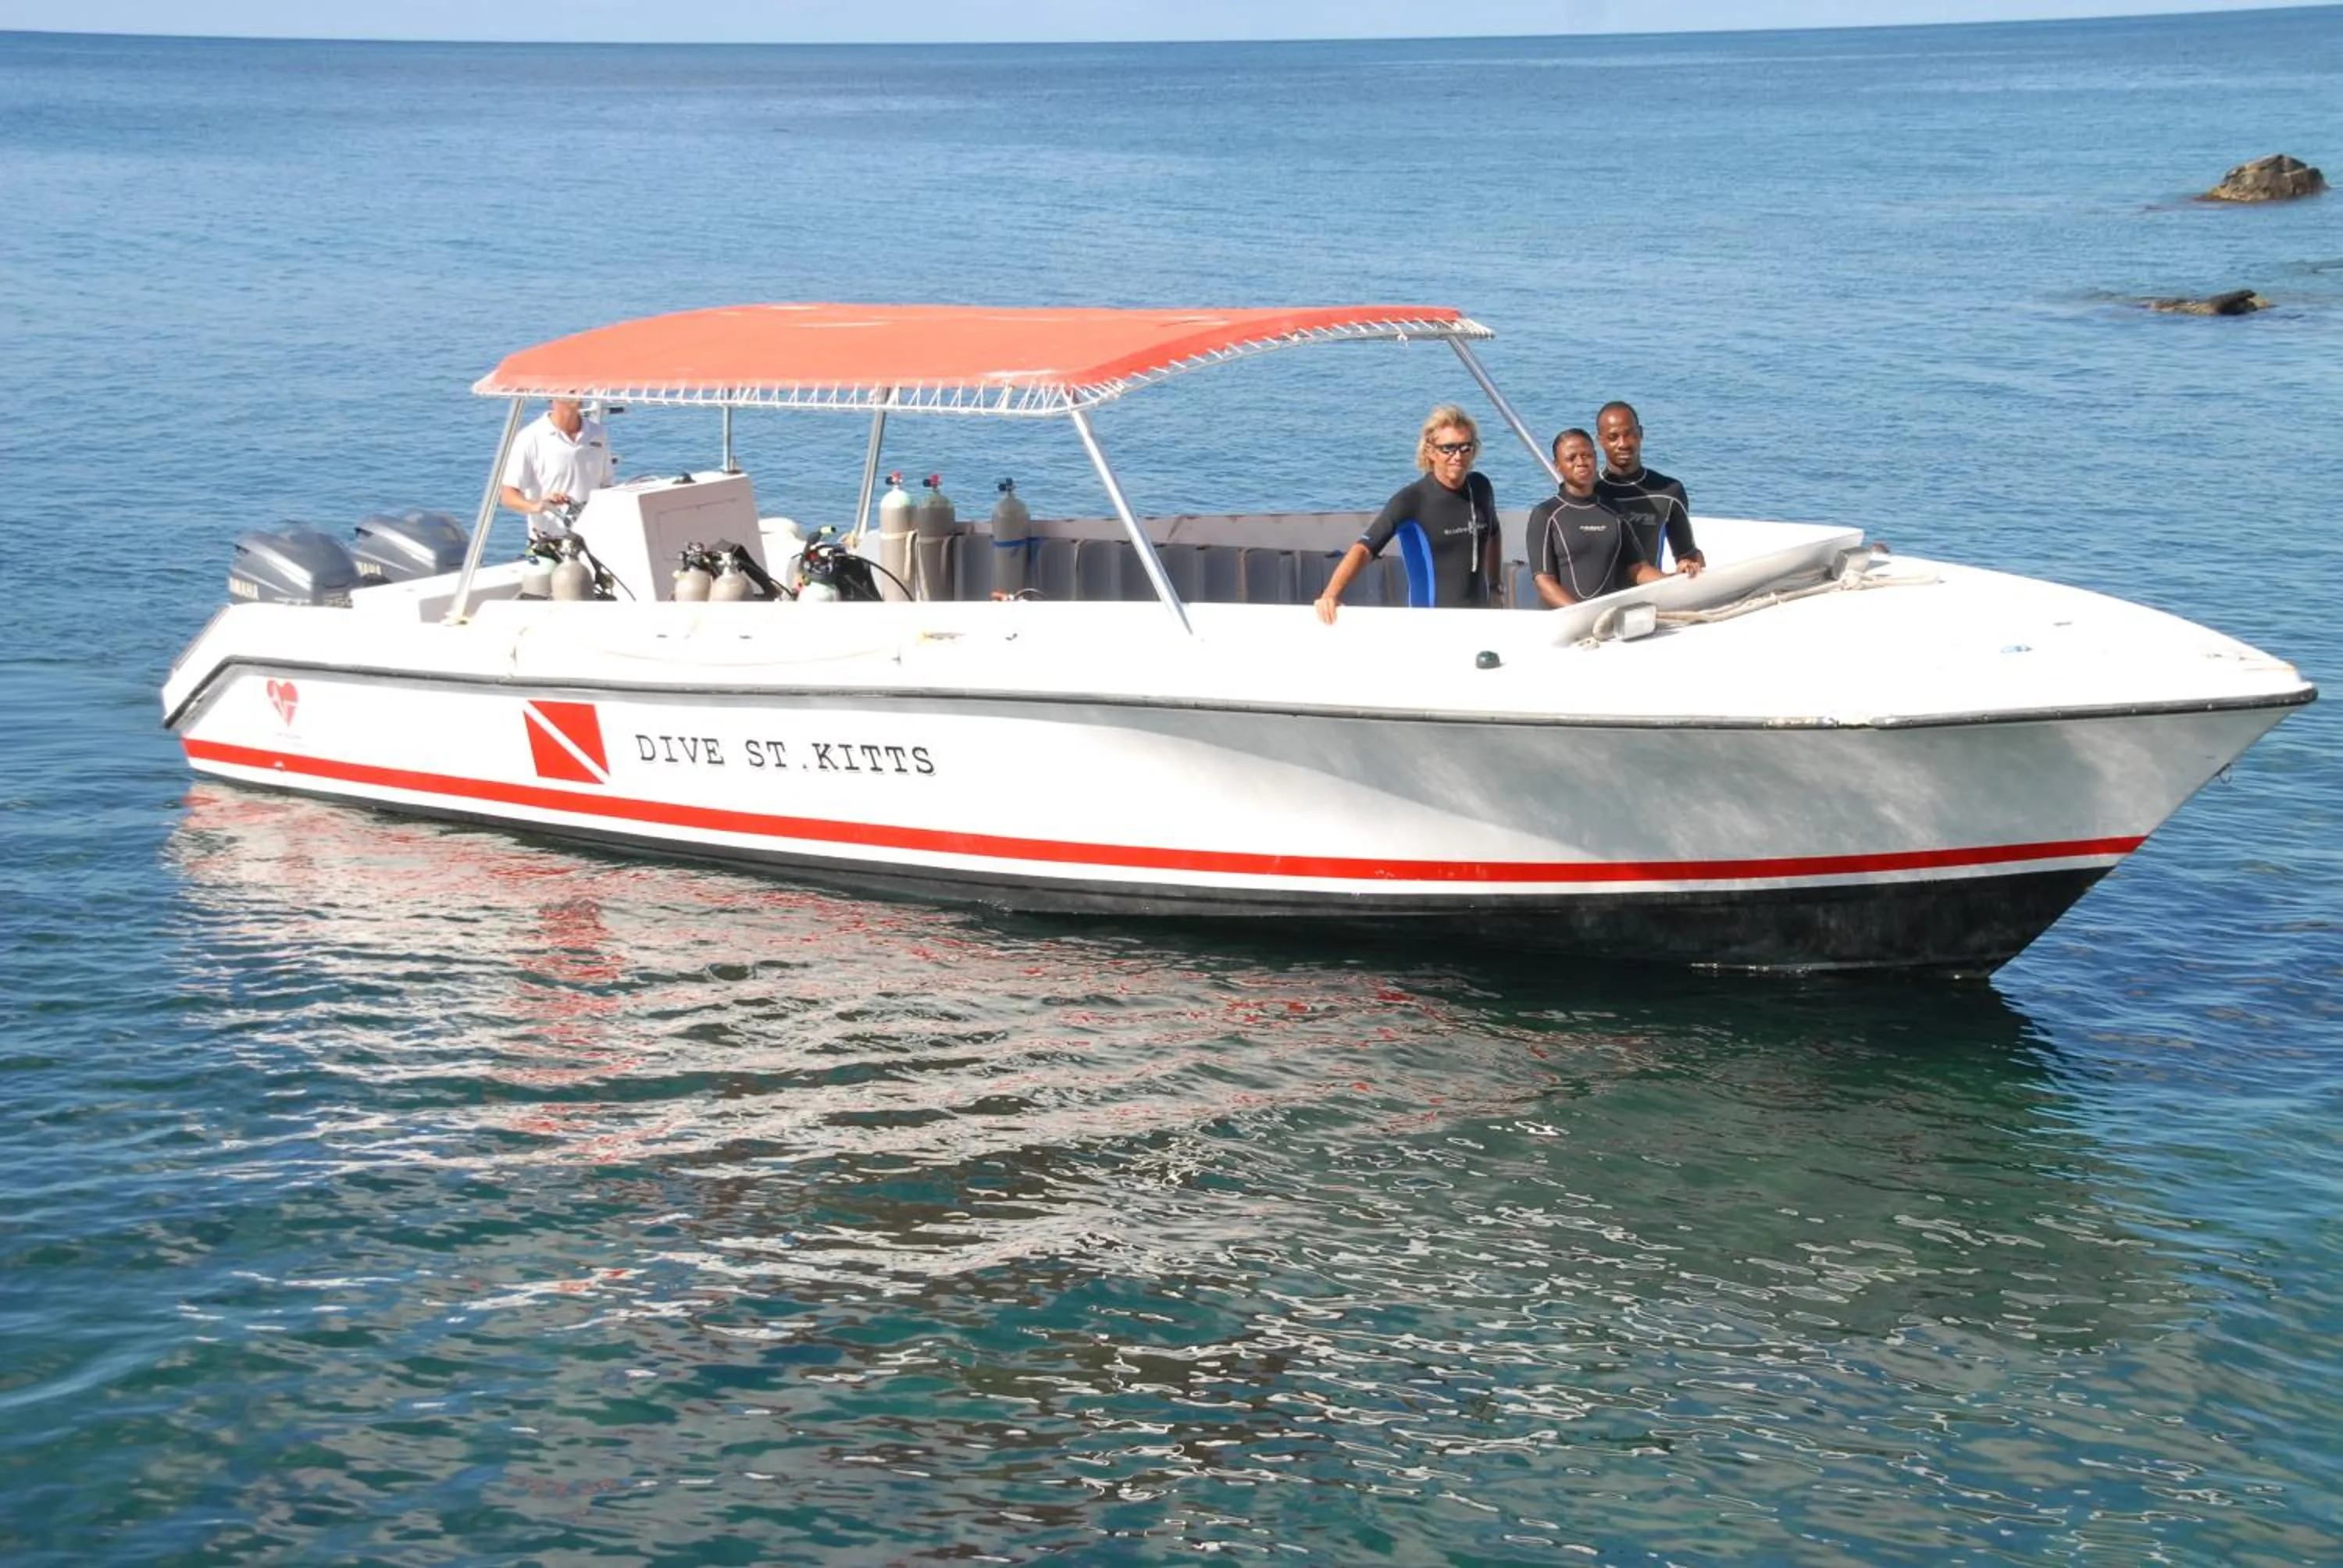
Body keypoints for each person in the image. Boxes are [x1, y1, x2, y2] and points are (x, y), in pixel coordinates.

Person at [1314, 405, 1499, 622]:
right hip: (1427, 624)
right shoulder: (1412, 500)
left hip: (1481, 620)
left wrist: (1496, 586)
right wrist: (1331, 594)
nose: (1457, 456)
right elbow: (1364, 549)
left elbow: (1494, 533)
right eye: (1448, 448)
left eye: (1465, 447)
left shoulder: (1481, 487)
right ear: (1430, 452)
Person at [1530, 429, 1662, 607]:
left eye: (1587, 456)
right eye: (1571, 458)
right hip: (1564, 617)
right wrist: (1580, 613)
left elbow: (1638, 569)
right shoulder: (1546, 514)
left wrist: (1676, 579)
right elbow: (1544, 582)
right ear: (1557, 465)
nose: (1581, 462)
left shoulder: (1614, 511)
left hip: (1607, 616)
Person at [1594, 400, 1702, 578]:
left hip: (1650, 590)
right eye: (1613, 437)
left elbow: (1687, 554)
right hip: (1600, 594)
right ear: (1600, 441)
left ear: (1641, 434)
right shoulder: (1590, 491)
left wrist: (1689, 568)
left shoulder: (1669, 491)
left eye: (1629, 434)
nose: (1623, 444)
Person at [500, 398, 615, 536]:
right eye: (571, 392)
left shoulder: (597, 433)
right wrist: (538, 506)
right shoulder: (530, 437)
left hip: (594, 538)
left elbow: (606, 486)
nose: (578, 395)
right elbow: (508, 496)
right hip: (551, 540)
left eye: (579, 389)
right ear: (553, 396)